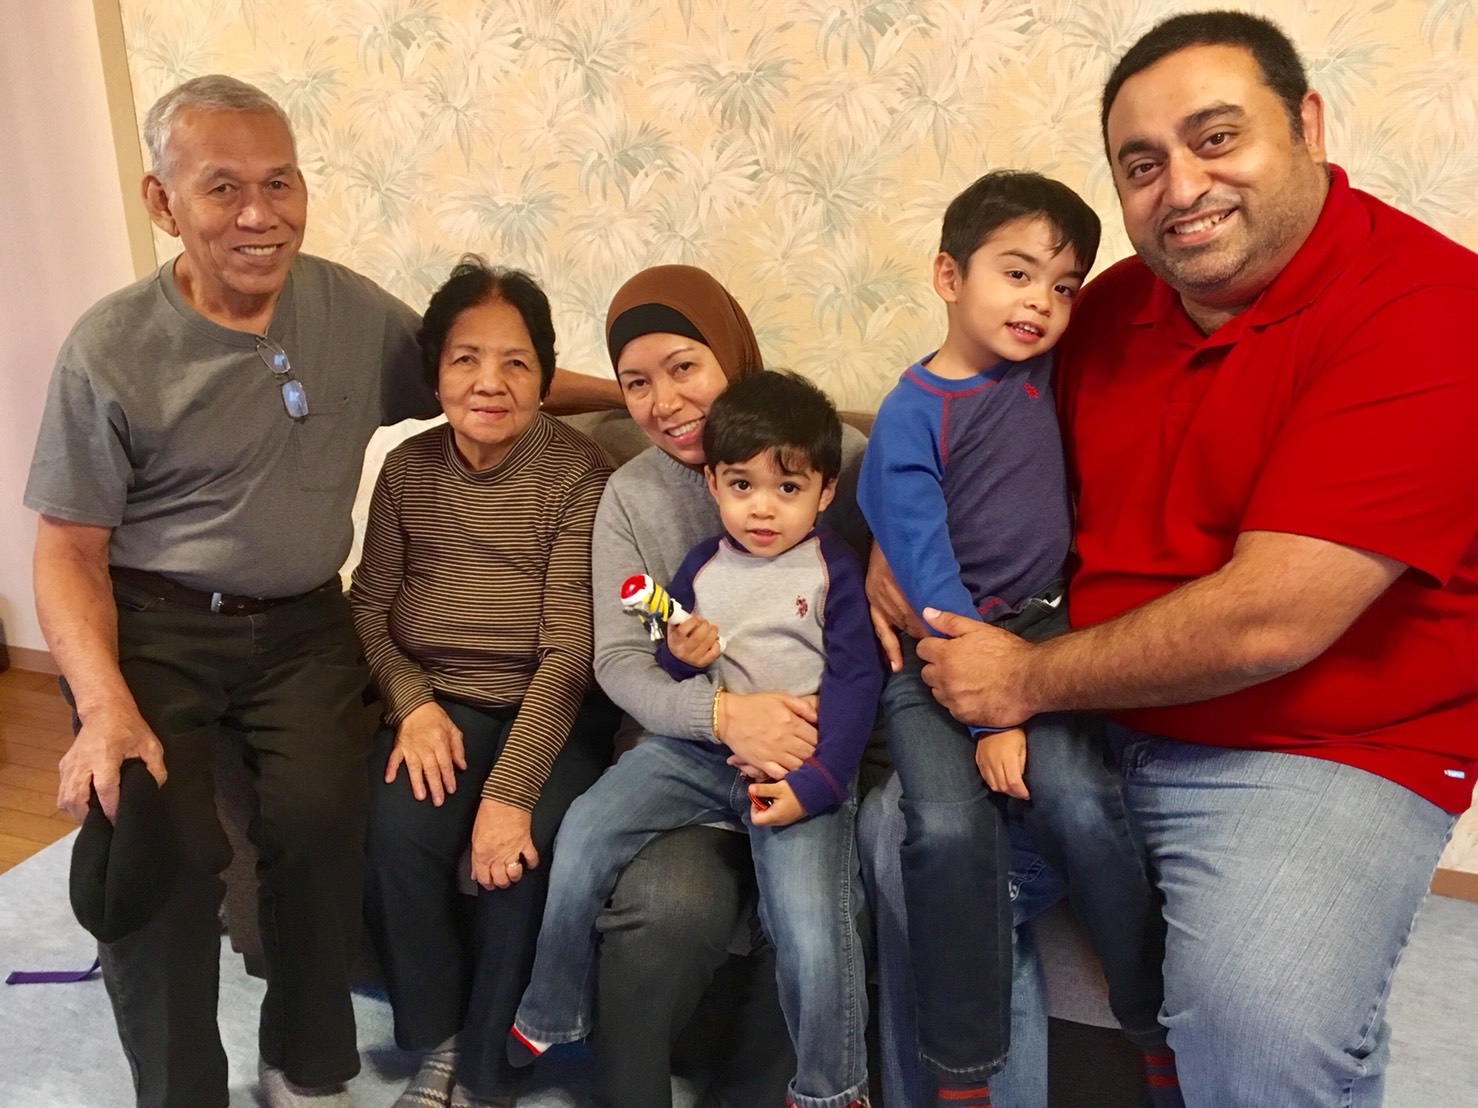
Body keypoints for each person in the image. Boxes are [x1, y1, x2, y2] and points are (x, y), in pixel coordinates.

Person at [899, 12, 1478, 1106]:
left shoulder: (1429, 310)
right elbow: (965, 444)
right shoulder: (1108, 308)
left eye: (1216, 137)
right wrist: (895, 542)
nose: (1182, 186)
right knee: (906, 856)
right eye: (1141, 164)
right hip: (1092, 713)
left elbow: (1272, 619)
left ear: (1306, 125)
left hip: (1317, 744)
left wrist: (1022, 679)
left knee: (1258, 1018)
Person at [23, 75, 615, 1108]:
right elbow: (68, 549)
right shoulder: (110, 349)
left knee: (323, 818)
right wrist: (102, 702)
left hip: (303, 623)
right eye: (222, 188)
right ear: (162, 201)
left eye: (280, 182)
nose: (259, 214)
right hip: (155, 624)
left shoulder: (348, 310)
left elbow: (480, 370)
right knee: (156, 842)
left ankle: (304, 1064)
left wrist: (657, 397)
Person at [857, 171, 1173, 1107]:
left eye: (1063, 285)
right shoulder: (911, 414)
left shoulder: (1045, 371)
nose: (1041, 302)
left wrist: (1022, 695)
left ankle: (1149, 1018)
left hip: (1045, 629)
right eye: (1018, 273)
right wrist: (992, 717)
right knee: (944, 828)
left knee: (1079, 795)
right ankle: (963, 1069)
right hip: (941, 649)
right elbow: (925, 576)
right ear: (949, 276)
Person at [548, 263, 871, 1108]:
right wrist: (721, 713)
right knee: (666, 910)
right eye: (636, 383)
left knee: (821, 920)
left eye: (684, 366)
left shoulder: (836, 459)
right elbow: (620, 659)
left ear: (729, 354)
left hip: (808, 754)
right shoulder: (629, 496)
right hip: (684, 752)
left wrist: (817, 759)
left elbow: (872, 632)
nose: (665, 402)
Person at [350, 259, 620, 1107]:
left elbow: (569, 653)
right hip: (443, 703)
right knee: (397, 831)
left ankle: (487, 1073)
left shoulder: (579, 475)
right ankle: (438, 1037)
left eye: (515, 362)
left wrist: (509, 792)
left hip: (553, 709)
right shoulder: (407, 470)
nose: (489, 382)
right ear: (436, 373)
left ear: (544, 376)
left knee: (519, 860)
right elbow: (368, 607)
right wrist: (412, 703)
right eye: (466, 358)